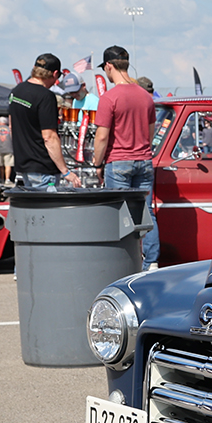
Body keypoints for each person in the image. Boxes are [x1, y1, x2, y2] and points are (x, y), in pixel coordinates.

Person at [90, 46, 159, 269]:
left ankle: (122, 262)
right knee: (146, 213)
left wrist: (97, 163)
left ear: (109, 66)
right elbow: (150, 134)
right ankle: (151, 262)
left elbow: (101, 137)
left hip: (118, 160)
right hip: (144, 160)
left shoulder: (109, 98)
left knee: (119, 214)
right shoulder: (145, 96)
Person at [8, 53, 73, 190]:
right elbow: (49, 137)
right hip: (43, 168)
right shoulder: (46, 96)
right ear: (55, 74)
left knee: (33, 210)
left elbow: (11, 126)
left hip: (24, 165)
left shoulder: (16, 91)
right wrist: (65, 171)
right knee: (47, 210)